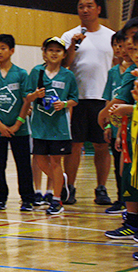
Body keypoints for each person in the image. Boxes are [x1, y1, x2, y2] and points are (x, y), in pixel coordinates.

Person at [104, 22, 138, 248]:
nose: (134, 52)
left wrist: (130, 111)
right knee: (137, 178)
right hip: (135, 133)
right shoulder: (131, 72)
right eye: (132, 47)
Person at [60, 0, 115, 205]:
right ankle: (70, 187)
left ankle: (101, 188)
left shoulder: (111, 36)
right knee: (75, 145)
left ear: (98, 9)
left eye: (90, 5)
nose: (85, 9)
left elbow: (118, 63)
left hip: (103, 99)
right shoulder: (69, 35)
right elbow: (64, 64)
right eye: (81, 6)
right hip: (76, 99)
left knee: (102, 145)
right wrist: (73, 44)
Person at [24, 37, 79, 215]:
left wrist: (64, 104)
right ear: (44, 53)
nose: (54, 53)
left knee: (56, 161)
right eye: (50, 50)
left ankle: (56, 199)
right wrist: (34, 95)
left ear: (63, 54)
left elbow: (74, 99)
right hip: (40, 125)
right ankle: (60, 180)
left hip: (59, 128)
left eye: (58, 50)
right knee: (40, 160)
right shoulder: (36, 72)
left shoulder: (68, 75)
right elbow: (26, 96)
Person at [0, 34, 34, 212]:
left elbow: (26, 100)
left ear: (11, 50)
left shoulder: (21, 74)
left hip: (19, 129)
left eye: (3, 48)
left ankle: (27, 198)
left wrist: (17, 124)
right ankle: (0, 197)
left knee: (23, 164)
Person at [100, 31, 131, 214]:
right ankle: (120, 198)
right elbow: (108, 99)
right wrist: (108, 124)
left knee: (130, 166)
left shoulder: (136, 70)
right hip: (116, 125)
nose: (120, 49)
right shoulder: (112, 72)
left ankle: (133, 202)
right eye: (116, 45)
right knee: (118, 163)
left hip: (131, 125)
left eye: (123, 44)